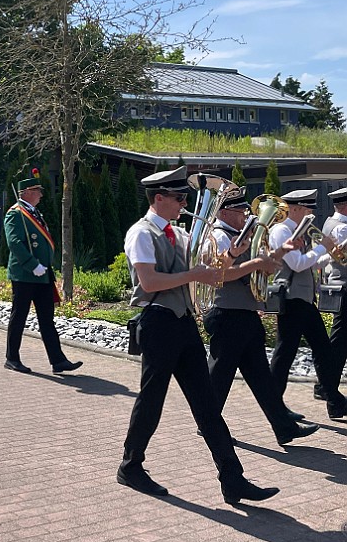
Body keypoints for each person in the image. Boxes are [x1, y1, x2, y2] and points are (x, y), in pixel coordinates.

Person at [119, 166, 279, 504]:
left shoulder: (182, 235)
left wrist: (234, 254)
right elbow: (149, 282)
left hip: (184, 323)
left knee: (207, 406)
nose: (184, 204)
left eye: (185, 198)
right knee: (152, 399)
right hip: (158, 321)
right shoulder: (141, 233)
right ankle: (130, 466)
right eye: (179, 198)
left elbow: (213, 275)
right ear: (158, 198)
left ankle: (233, 479)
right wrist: (193, 273)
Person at [203, 188, 318, 445]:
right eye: (240, 211)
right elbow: (220, 275)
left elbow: (260, 265)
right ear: (224, 212)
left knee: (261, 377)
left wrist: (282, 250)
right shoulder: (219, 236)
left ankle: (284, 428)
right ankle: (207, 423)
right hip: (227, 314)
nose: (246, 215)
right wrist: (256, 264)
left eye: (246, 210)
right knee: (219, 376)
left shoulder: (243, 235)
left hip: (244, 314)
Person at [268, 188, 347, 419]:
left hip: (303, 299)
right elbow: (298, 264)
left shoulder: (296, 230)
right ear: (294, 209)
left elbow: (310, 264)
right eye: (306, 210)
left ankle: (334, 400)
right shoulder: (281, 231)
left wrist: (331, 254)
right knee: (284, 355)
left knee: (323, 350)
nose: (310, 215)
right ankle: (274, 405)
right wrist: (324, 246)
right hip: (291, 299)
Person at [3, 169, 81, 374]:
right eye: (38, 191)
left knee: (47, 319)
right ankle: (12, 358)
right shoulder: (15, 214)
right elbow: (15, 243)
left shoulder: (34, 213)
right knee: (19, 317)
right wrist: (32, 265)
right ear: (27, 192)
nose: (41, 194)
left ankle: (58, 360)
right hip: (25, 275)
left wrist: (42, 267)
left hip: (43, 274)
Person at [318, 186, 347, 401]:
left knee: (339, 342)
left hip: (339, 284)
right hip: (345, 286)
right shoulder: (342, 228)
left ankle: (326, 386)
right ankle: (326, 387)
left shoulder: (330, 222)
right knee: (338, 343)